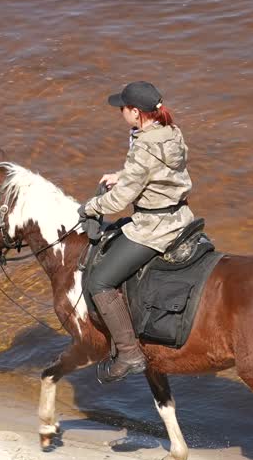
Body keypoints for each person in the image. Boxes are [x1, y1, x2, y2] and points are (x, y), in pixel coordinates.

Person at [78, 81, 195, 382]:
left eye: (122, 109)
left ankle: (129, 353)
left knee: (100, 281)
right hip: (181, 217)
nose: (120, 113)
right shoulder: (171, 132)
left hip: (153, 228)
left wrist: (91, 206)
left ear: (135, 112)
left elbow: (120, 201)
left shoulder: (143, 144)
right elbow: (162, 172)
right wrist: (122, 175)